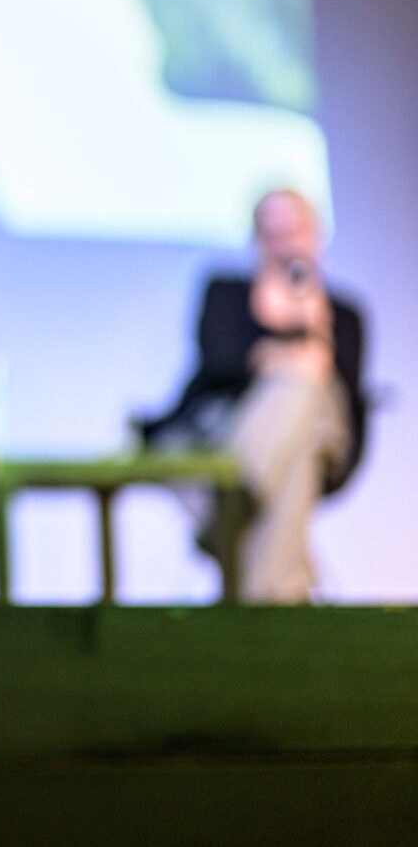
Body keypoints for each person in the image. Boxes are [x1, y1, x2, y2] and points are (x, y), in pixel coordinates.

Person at [145, 190, 364, 602]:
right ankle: (278, 596)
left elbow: (349, 394)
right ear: (257, 239)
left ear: (315, 236)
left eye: (295, 231)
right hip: (231, 428)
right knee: (299, 453)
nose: (285, 245)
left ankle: (229, 516)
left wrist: (315, 331)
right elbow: (217, 359)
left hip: (325, 426)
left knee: (305, 392)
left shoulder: (344, 314)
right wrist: (274, 350)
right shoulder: (228, 294)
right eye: (273, 234)